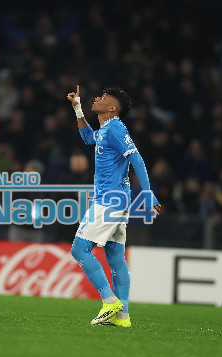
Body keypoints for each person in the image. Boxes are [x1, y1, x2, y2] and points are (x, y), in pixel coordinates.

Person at [67, 85, 162, 328]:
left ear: (111, 108)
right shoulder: (106, 129)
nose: (97, 98)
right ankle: (123, 316)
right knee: (115, 256)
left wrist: (148, 194)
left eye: (103, 97)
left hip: (110, 199)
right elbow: (88, 138)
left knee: (79, 250)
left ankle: (109, 301)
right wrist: (77, 108)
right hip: (118, 199)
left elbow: (136, 158)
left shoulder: (116, 128)